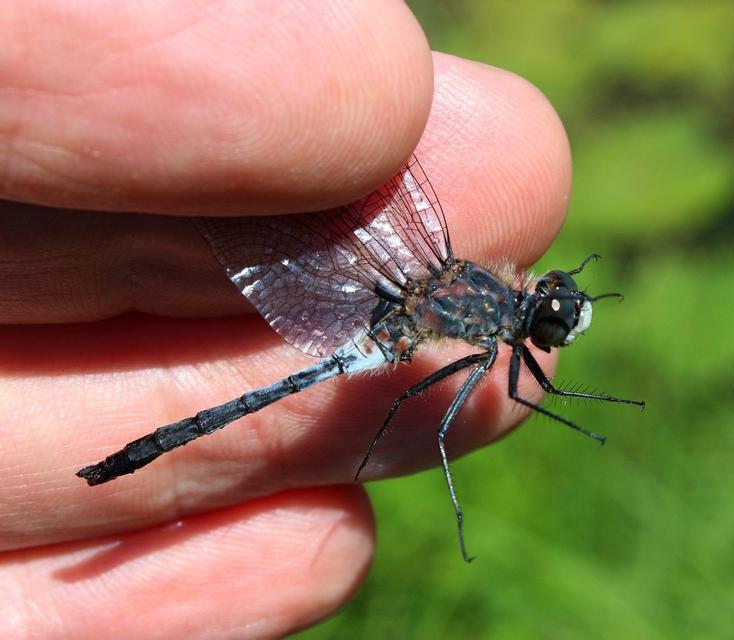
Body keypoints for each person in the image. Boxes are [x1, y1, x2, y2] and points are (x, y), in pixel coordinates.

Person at [0, 2, 573, 637]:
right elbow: (503, 393)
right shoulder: (492, 332)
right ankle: (135, 456)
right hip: (393, 314)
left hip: (392, 309)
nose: (548, 316)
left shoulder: (473, 296)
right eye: (550, 312)